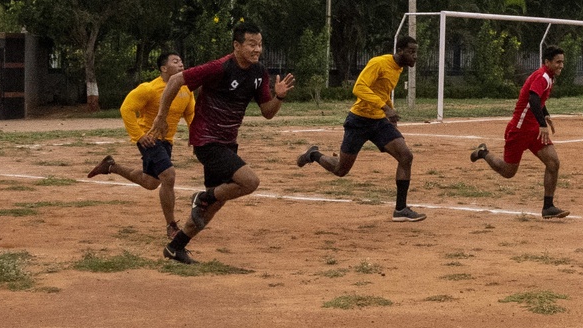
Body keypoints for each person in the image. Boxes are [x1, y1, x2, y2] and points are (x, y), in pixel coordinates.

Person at [147, 22, 295, 265]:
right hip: (206, 140)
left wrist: (278, 96)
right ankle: (203, 196)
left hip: (228, 141)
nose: (257, 49)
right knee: (249, 182)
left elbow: (267, 112)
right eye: (251, 44)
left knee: (214, 206)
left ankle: (176, 247)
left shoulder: (259, 73)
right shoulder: (220, 67)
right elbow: (175, 81)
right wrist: (161, 116)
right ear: (237, 46)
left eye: (260, 44)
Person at [296, 36, 426, 222]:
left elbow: (383, 92)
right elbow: (359, 88)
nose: (415, 56)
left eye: (416, 52)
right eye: (412, 52)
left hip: (379, 122)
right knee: (341, 170)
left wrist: (390, 113)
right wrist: (385, 107)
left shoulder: (398, 69)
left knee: (406, 156)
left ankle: (400, 209)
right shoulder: (379, 63)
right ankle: (314, 155)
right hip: (359, 121)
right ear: (400, 50)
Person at [87, 52, 195, 239]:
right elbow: (126, 109)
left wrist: (196, 135)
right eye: (175, 61)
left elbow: (191, 114)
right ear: (163, 68)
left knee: (151, 183)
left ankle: (111, 166)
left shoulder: (186, 89)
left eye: (181, 61)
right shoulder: (150, 89)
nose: (181, 64)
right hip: (150, 139)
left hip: (167, 141)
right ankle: (171, 226)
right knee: (168, 176)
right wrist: (139, 136)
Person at [469, 45, 570, 219]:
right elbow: (533, 98)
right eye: (558, 62)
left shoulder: (549, 77)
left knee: (553, 163)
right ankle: (483, 152)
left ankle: (548, 207)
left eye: (562, 62)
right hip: (520, 130)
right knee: (508, 172)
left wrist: (545, 116)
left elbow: (539, 101)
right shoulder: (543, 76)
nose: (561, 65)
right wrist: (542, 124)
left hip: (534, 130)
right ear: (547, 62)